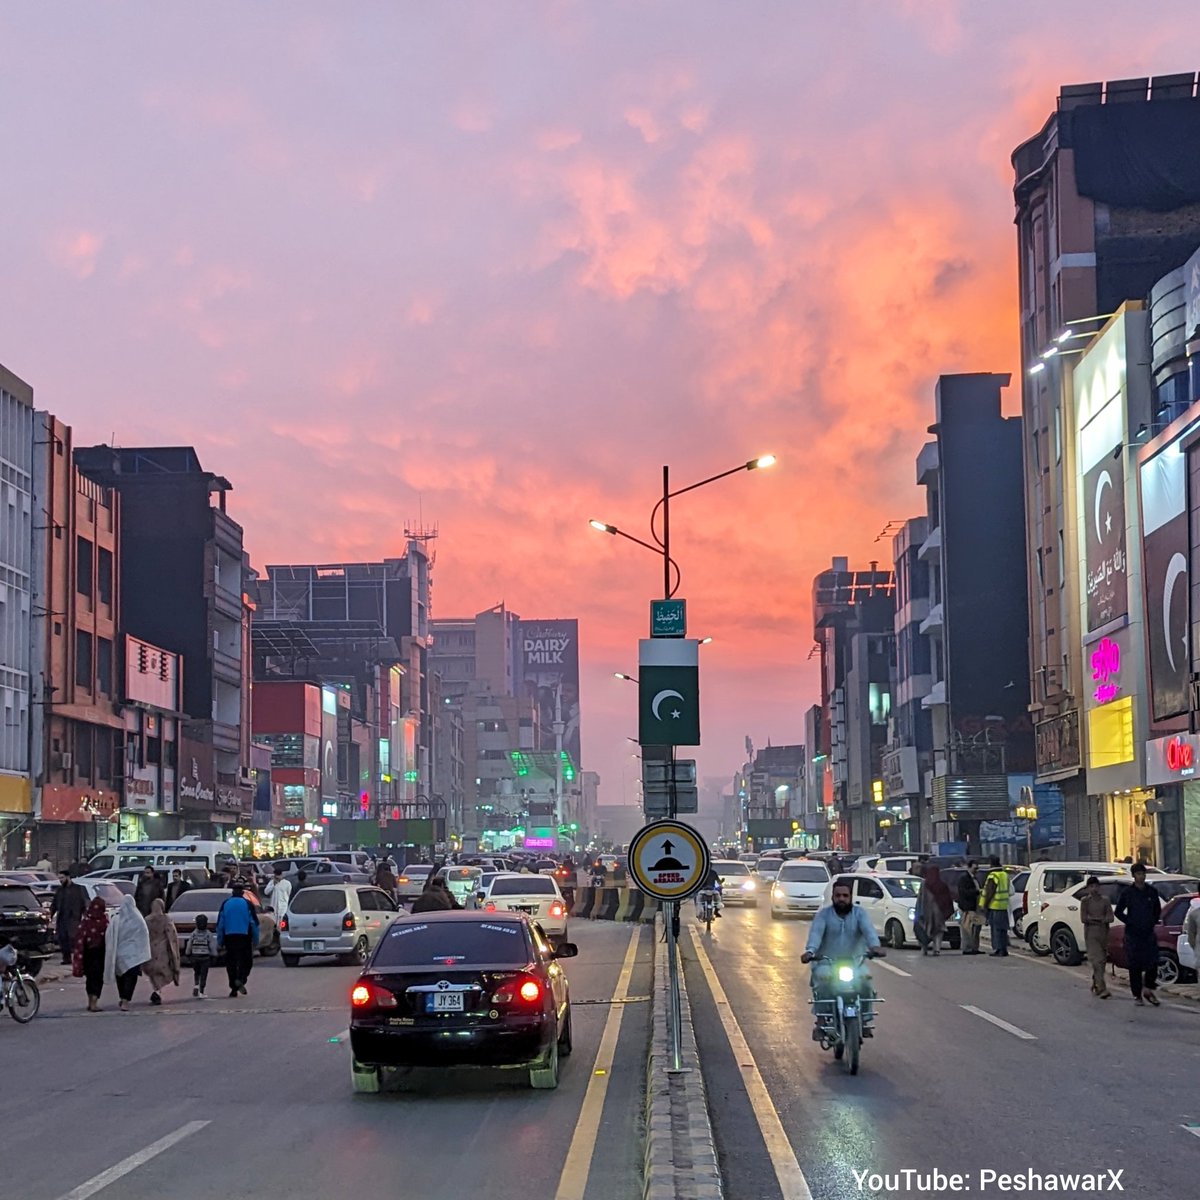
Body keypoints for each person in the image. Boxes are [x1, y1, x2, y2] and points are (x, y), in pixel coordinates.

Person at [801, 879, 885, 1037]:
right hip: (827, 962)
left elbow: (869, 932)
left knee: (866, 981)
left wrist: (875, 947)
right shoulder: (823, 915)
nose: (841, 899)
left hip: (856, 963)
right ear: (832, 897)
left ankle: (865, 1020)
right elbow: (815, 935)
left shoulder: (860, 913)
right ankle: (821, 1021)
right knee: (823, 982)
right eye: (838, 895)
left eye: (845, 895)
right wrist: (811, 952)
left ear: (851, 897)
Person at [1114, 863, 1162, 1006]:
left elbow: (1157, 910)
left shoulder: (1152, 892)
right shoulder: (1128, 893)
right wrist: (1130, 922)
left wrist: (1151, 922)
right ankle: (1137, 995)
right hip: (1133, 934)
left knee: (1153, 962)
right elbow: (1118, 911)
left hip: (1148, 933)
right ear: (1134, 875)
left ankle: (1148, 988)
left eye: (1143, 873)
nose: (1141, 876)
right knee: (1134, 965)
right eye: (1139, 874)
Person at [105, 895, 151, 1011]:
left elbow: (109, 935)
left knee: (121, 977)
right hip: (134, 955)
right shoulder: (138, 919)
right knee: (131, 978)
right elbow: (144, 935)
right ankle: (125, 1000)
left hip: (120, 954)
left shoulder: (116, 919)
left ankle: (123, 998)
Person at [215, 884, 260, 998]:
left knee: (231, 963)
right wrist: (256, 940)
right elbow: (254, 923)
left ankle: (233, 988)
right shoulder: (247, 904)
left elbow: (220, 924)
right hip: (244, 937)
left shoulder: (226, 904)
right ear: (242, 893)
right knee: (246, 962)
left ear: (232, 892)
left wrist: (220, 941)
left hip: (229, 937)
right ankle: (241, 979)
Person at [72, 896, 109, 1012]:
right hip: (98, 954)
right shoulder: (104, 922)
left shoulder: (86, 922)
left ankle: (90, 1002)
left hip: (87, 954)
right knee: (97, 979)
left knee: (90, 979)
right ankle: (94, 1003)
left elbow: (79, 939)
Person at [1080, 875, 1114, 999]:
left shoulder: (1105, 900)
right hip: (1091, 934)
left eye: (1096, 886)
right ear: (1088, 888)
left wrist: (1099, 920)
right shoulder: (1085, 901)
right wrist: (1099, 919)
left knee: (1102, 961)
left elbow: (1110, 917)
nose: (1094, 889)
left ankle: (1096, 981)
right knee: (1097, 960)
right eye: (1091, 887)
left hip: (1104, 933)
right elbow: (1084, 918)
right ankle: (1102, 988)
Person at [144, 897, 180, 1006]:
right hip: (162, 949)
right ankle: (157, 991)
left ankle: (156, 990)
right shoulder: (166, 919)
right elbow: (171, 934)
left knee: (153, 972)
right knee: (164, 972)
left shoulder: (146, 920)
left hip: (149, 949)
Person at [50, 870, 87, 964]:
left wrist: (85, 917)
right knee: (63, 939)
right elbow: (54, 905)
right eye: (59, 878)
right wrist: (50, 916)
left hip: (73, 919)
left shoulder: (78, 889)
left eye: (62, 878)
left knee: (73, 940)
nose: (60, 880)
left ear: (68, 877)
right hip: (62, 919)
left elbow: (83, 904)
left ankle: (78, 959)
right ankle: (66, 959)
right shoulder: (59, 890)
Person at [979, 857, 1011, 957]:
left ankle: (998, 949)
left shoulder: (993, 876)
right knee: (1003, 929)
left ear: (991, 864)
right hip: (1004, 905)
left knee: (996, 929)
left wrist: (984, 905)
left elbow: (989, 892)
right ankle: (1004, 949)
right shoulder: (1005, 875)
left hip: (994, 906)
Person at [918, 865, 954, 956]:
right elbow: (947, 900)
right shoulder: (941, 884)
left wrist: (919, 911)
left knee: (926, 930)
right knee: (938, 931)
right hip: (939, 913)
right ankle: (937, 949)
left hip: (926, 912)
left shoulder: (924, 884)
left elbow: (920, 899)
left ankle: (924, 948)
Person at [957, 860, 983, 955]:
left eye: (977, 868)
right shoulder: (964, 879)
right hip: (967, 908)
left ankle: (975, 947)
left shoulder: (975, 878)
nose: (976, 870)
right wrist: (976, 892)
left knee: (976, 928)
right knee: (967, 929)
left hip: (976, 907)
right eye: (974, 868)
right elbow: (963, 892)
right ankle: (967, 948)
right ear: (969, 867)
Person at [188, 914, 216, 999]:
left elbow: (189, 944)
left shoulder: (193, 934)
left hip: (195, 956)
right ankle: (201, 991)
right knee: (204, 974)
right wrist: (214, 954)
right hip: (205, 957)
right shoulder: (208, 934)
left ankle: (196, 984)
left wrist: (188, 953)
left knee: (197, 972)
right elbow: (212, 946)